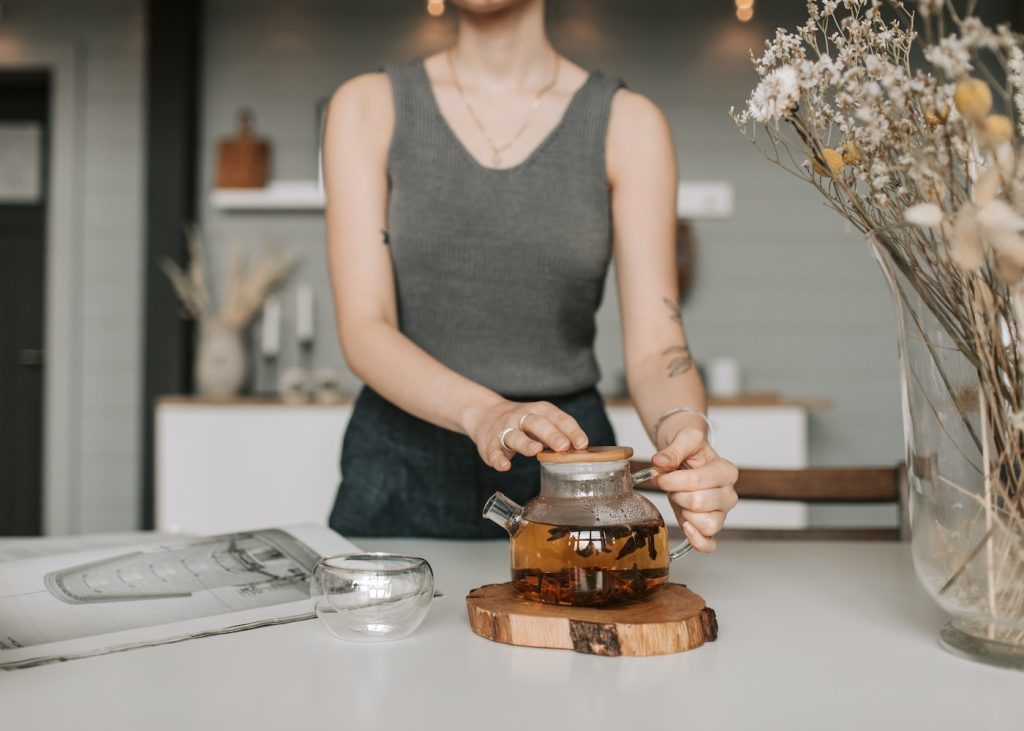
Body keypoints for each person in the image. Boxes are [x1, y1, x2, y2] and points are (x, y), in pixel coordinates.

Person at [323, 0, 738, 545]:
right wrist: (487, 413)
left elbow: (657, 348)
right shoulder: (366, 107)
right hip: (398, 465)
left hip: (569, 467)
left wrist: (688, 438)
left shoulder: (629, 124)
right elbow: (365, 327)